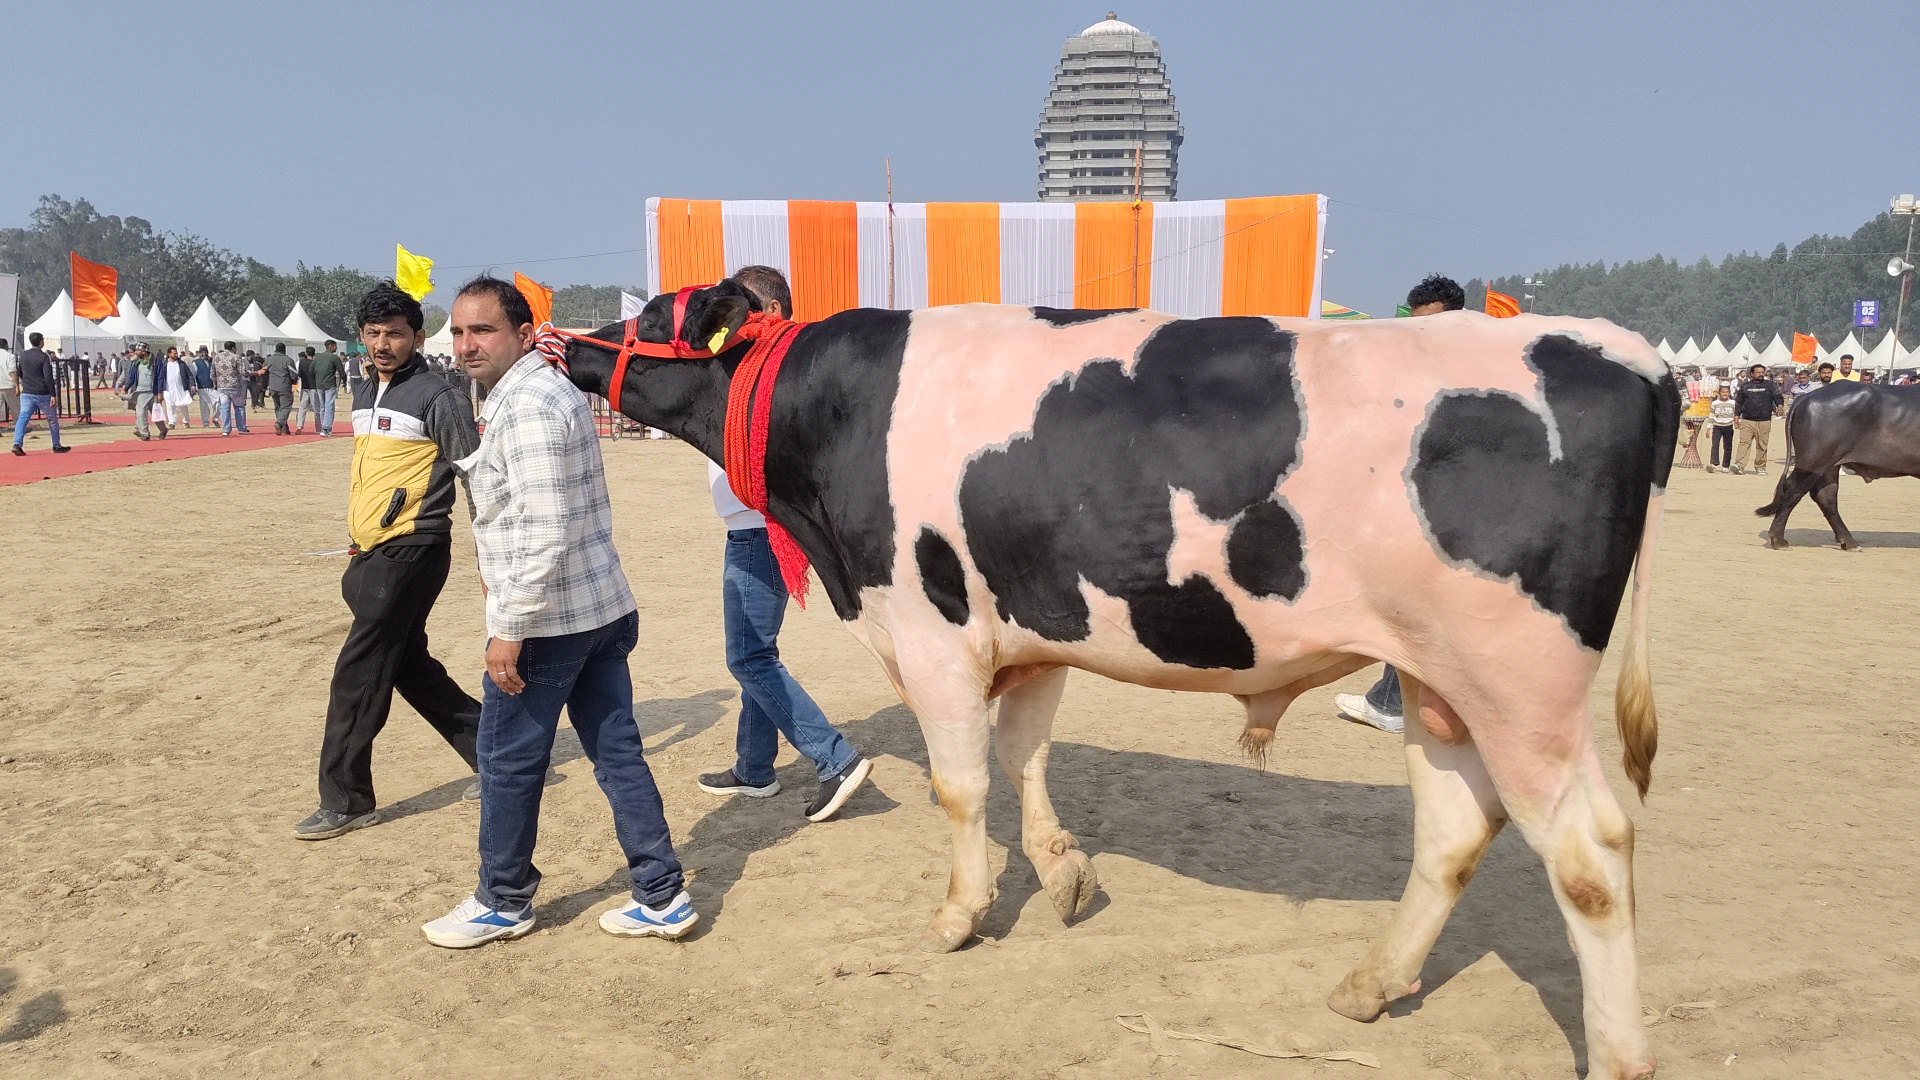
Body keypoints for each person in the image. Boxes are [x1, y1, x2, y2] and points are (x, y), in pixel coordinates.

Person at [419, 274, 695, 948]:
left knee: (508, 761)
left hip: (550, 622)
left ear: (522, 334)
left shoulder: (532, 404)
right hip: (595, 606)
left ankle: (503, 898)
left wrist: (509, 628)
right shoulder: (537, 392)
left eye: (482, 330)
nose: (467, 344)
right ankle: (661, 894)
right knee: (617, 752)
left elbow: (546, 528)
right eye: (459, 331)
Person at [293, 283, 484, 841]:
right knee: (406, 665)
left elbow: (477, 476)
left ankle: (347, 800)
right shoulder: (362, 391)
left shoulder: (439, 395)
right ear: (360, 336)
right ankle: (501, 756)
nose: (382, 344)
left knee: (357, 674)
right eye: (373, 333)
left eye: (395, 333)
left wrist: (493, 559)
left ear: (417, 337)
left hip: (413, 549)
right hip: (370, 552)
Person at [693, 266, 873, 820]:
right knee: (758, 652)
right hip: (754, 530)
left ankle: (834, 757)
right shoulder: (760, 369)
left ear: (771, 312)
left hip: (759, 532)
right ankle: (754, 766)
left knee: (749, 657)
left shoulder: (778, 373)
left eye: (740, 306)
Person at [1332, 274, 1466, 734]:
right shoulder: (1422, 366)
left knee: (1414, 603)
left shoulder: (1464, 370)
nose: (1421, 333)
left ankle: (1390, 703)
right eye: (1416, 323)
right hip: (1427, 502)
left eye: (1432, 323)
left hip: (1444, 508)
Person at [10, 333, 70, 456]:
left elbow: (19, 371)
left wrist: (26, 382)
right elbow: (48, 376)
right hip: (43, 393)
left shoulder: (23, 355)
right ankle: (56, 445)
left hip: (27, 392)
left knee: (23, 418)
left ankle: (17, 443)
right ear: (41, 342)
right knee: (52, 419)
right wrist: (53, 394)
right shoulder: (44, 357)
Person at [1731, 363, 1783, 476]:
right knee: (1744, 443)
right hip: (1747, 420)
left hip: (1764, 420)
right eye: (1758, 372)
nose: (1760, 374)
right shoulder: (1745, 386)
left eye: (1762, 372)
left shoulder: (1770, 385)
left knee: (1762, 445)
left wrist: (1779, 405)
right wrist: (1736, 416)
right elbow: (1739, 402)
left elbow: (1778, 396)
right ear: (1751, 374)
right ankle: (1739, 465)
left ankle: (1760, 467)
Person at [118, 343, 167, 441]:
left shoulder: (155, 362)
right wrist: (125, 389)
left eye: (137, 350)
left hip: (153, 392)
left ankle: (163, 430)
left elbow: (160, 378)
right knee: (140, 414)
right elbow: (132, 377)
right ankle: (145, 434)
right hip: (140, 392)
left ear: (144, 351)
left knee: (156, 414)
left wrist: (160, 392)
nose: (135, 352)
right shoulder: (136, 362)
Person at [210, 341, 250, 435]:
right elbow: (242, 372)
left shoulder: (216, 357)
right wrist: (253, 373)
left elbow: (212, 373)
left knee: (224, 408)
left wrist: (215, 382)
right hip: (235, 386)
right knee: (239, 407)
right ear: (233, 348)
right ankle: (241, 428)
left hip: (222, 387)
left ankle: (225, 429)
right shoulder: (236, 357)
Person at [311, 340, 344, 437]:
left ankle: (323, 427)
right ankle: (326, 428)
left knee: (322, 406)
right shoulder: (334, 357)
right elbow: (341, 372)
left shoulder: (317, 357)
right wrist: (345, 382)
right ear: (330, 346)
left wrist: (317, 378)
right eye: (335, 346)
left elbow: (311, 370)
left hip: (319, 385)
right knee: (329, 405)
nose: (336, 348)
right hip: (330, 384)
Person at [265, 343, 298, 435]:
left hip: (272, 386)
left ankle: (284, 428)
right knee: (286, 406)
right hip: (284, 386)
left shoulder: (269, 360)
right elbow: (294, 375)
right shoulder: (288, 360)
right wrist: (293, 382)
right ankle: (279, 423)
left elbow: (263, 371)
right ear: (284, 350)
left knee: (278, 407)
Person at [1705, 385, 1735, 472]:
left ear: (1729, 393)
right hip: (1717, 426)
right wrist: (1708, 428)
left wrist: (1738, 422)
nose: (1725, 394)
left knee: (1728, 446)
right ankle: (1713, 463)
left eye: (1726, 392)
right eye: (1723, 392)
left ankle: (1726, 465)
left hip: (1728, 426)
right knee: (1715, 445)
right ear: (1719, 393)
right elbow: (1711, 416)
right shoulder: (1715, 403)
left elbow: (1736, 414)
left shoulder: (1733, 403)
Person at [293, 347, 320, 434]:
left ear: (306, 353)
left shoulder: (302, 362)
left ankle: (299, 425)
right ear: (314, 353)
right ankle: (319, 428)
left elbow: (299, 374)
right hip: (314, 387)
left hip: (304, 386)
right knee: (317, 409)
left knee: (302, 407)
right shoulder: (316, 362)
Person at [193, 347, 218, 428]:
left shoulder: (212, 361)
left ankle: (215, 419)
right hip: (202, 386)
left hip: (212, 386)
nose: (204, 354)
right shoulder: (196, 363)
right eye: (202, 352)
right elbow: (193, 375)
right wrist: (194, 385)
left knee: (218, 402)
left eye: (205, 352)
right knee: (204, 406)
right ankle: (205, 423)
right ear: (199, 353)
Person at [0, 338, 17, 425]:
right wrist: (17, 385)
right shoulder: (10, 356)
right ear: (6, 345)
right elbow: (12, 372)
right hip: (9, 385)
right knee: (15, 408)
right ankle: (19, 427)